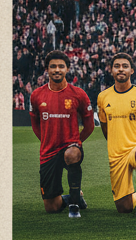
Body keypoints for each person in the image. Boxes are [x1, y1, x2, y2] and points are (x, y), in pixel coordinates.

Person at [29, 52, 95, 216]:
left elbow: (89, 125)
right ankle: (73, 197)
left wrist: (77, 142)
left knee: (72, 154)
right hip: (48, 151)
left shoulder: (78, 94)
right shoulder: (37, 95)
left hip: (70, 147)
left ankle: (74, 205)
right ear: (47, 70)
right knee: (51, 207)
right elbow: (35, 124)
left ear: (67, 69)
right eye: (53, 66)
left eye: (60, 66)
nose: (57, 70)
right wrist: (45, 139)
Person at [96, 51, 136, 216]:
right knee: (124, 208)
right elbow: (105, 128)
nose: (120, 69)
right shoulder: (103, 97)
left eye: (125, 66)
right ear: (111, 70)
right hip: (116, 154)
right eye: (117, 66)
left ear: (132, 71)